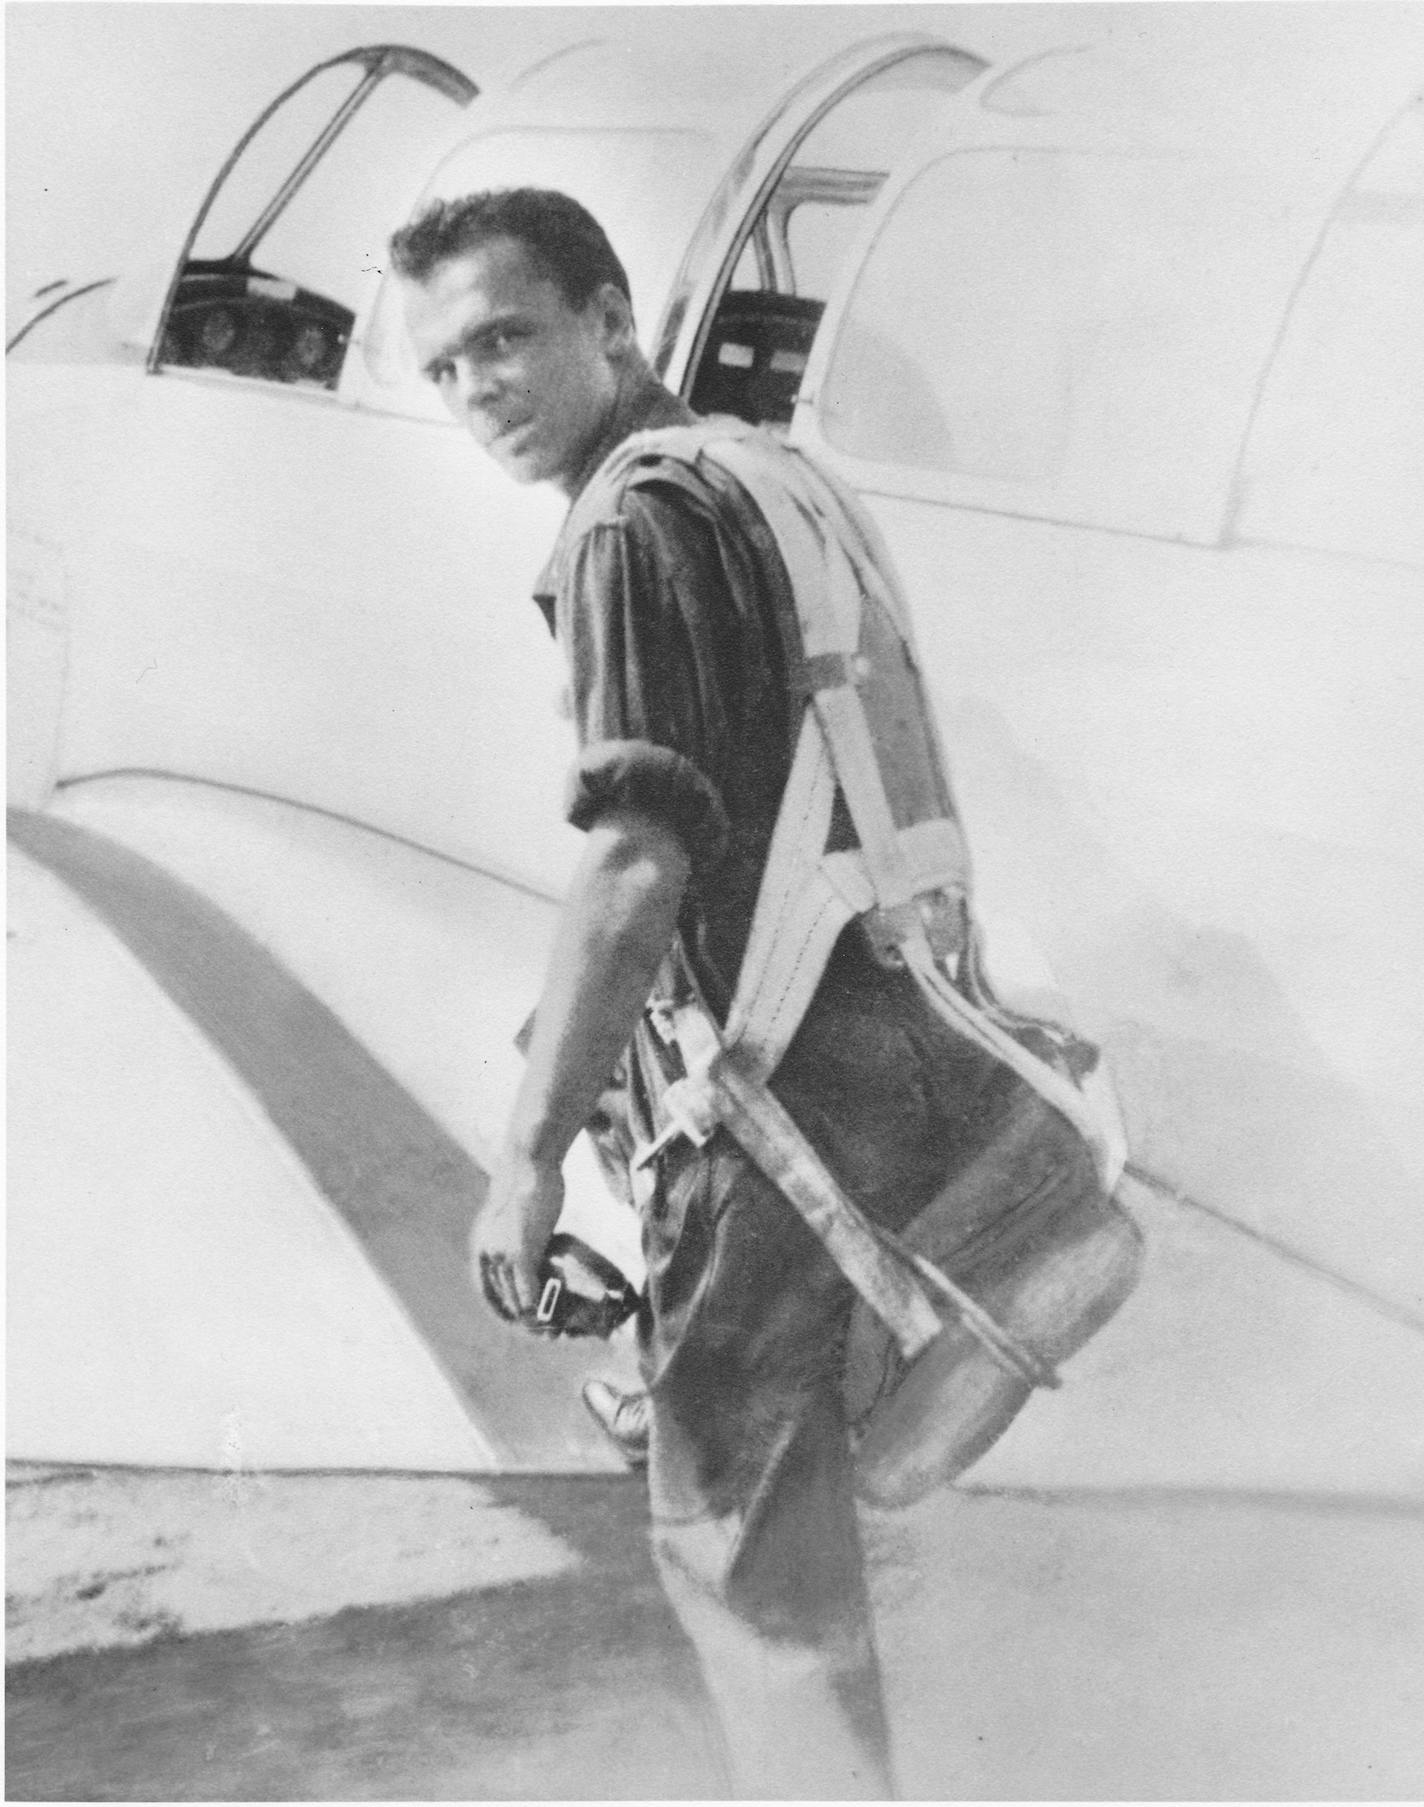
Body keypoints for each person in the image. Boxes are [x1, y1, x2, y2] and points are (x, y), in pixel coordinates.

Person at [390, 187, 1109, 1798]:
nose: (479, 388)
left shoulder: (633, 526)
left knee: (740, 1541)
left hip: (778, 1116)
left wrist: (524, 1155)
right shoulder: (766, 471)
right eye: (442, 367)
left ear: (610, 318)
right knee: (787, 1503)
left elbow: (641, 861)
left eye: (507, 337)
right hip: (915, 1050)